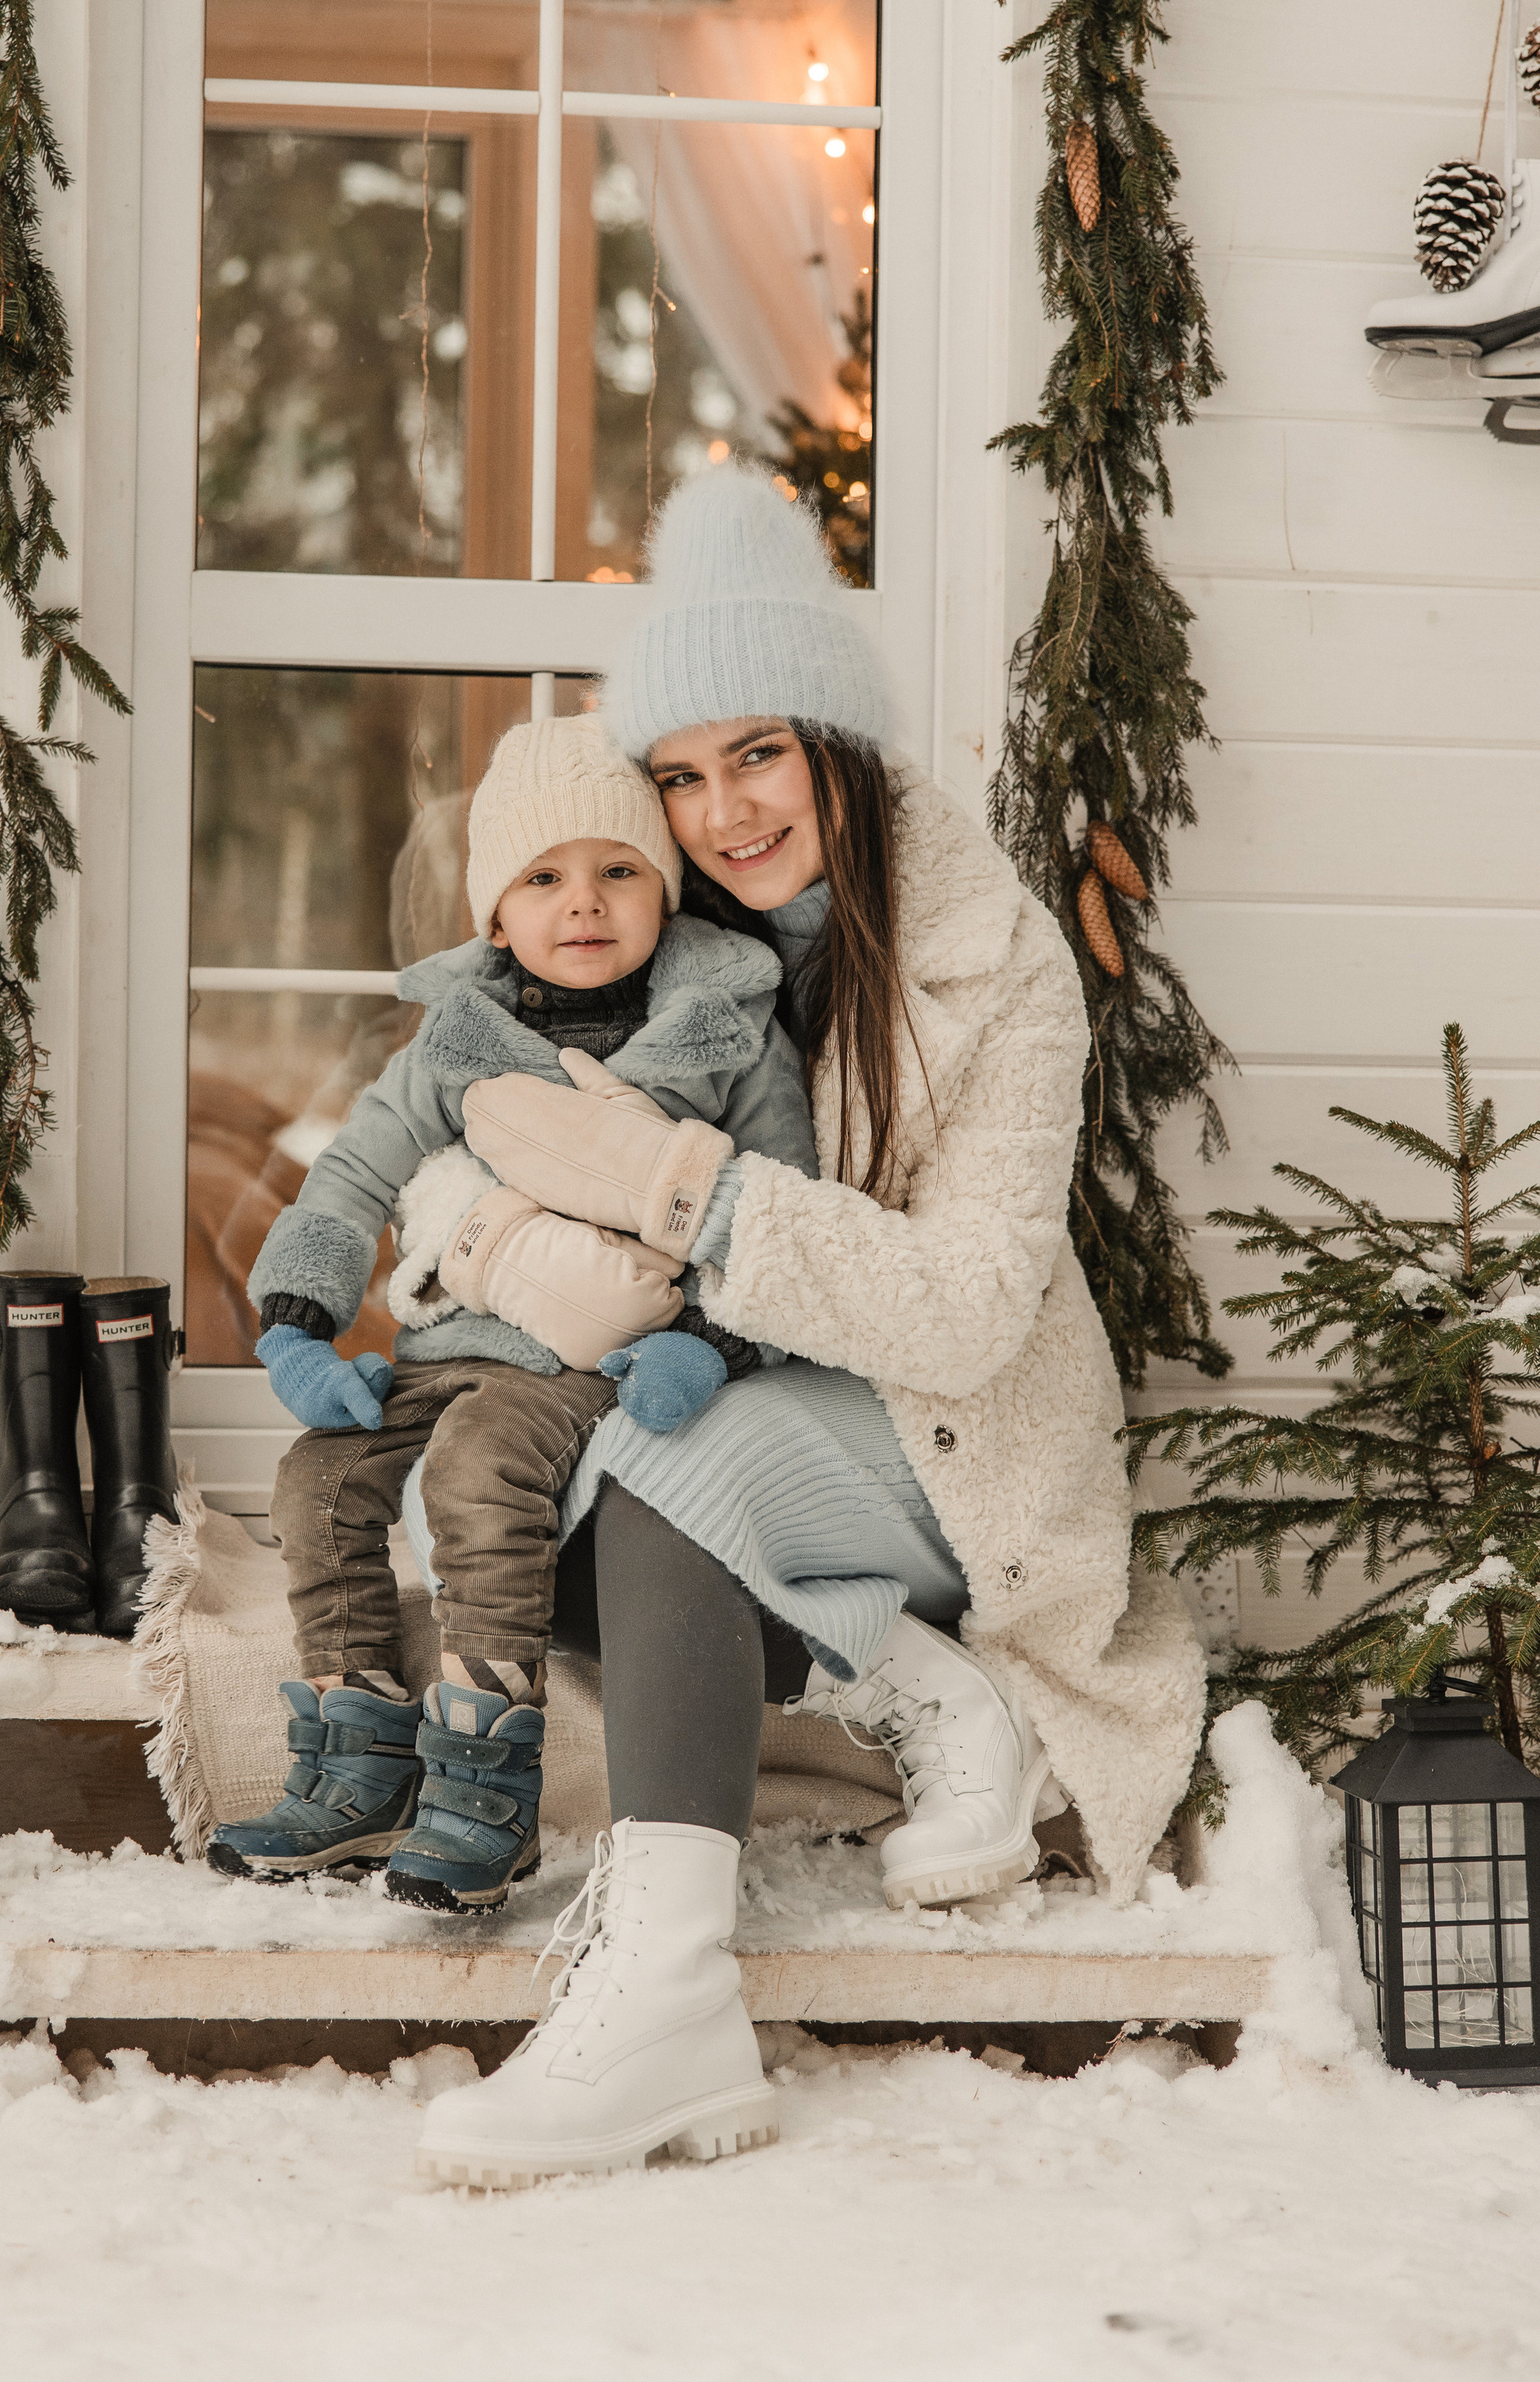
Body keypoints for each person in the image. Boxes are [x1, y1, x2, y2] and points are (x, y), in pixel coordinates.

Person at [411, 465, 1206, 2191]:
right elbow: (454, 1116)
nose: (723, 813)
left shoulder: (993, 962)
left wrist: (684, 1193)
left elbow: (970, 1313)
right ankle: (908, 1678)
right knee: (482, 1509)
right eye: (681, 775)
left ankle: (662, 1995)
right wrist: (473, 1224)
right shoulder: (653, 936)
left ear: (833, 744)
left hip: (951, 1443)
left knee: (660, 1468)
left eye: (758, 753)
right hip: (739, 1403)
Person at [207, 712, 819, 1908]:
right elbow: (352, 1174)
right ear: (495, 915)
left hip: (594, 1355)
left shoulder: (727, 1034)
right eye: (543, 879)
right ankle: (356, 1763)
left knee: (481, 1468)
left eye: (618, 870)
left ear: (665, 889)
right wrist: (295, 1323)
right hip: (453, 1336)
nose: (582, 902)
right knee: (316, 1480)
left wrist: (712, 1345)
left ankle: (485, 1793)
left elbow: (782, 1215)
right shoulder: (458, 1043)